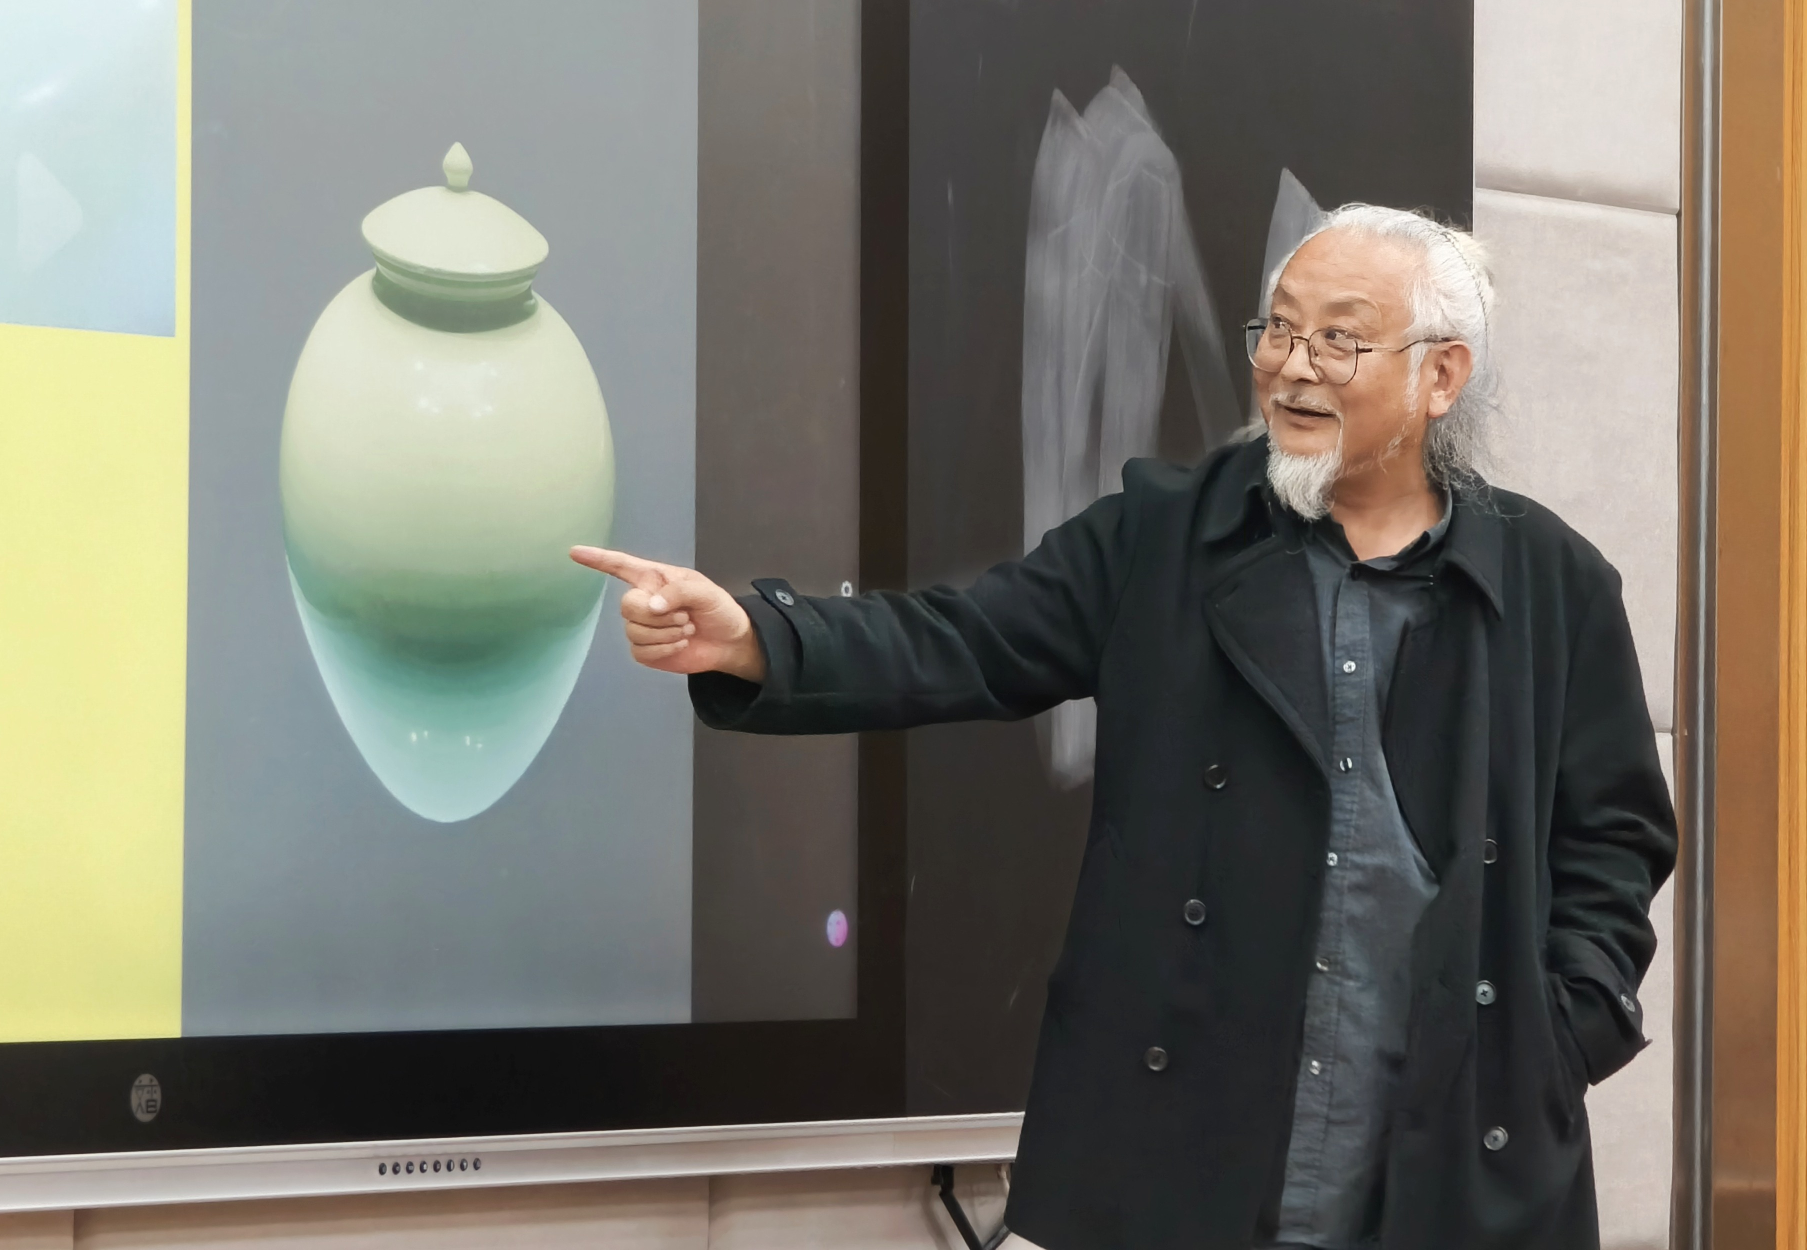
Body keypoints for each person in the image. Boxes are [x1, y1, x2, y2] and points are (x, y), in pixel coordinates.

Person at [573, 204, 1677, 1250]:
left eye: (1339, 341)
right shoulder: (1167, 537)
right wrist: (758, 637)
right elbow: (966, 638)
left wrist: (1558, 1032)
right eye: (1278, 329)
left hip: (1452, 1148)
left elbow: (1614, 836)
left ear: (1440, 375)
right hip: (1188, 1134)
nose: (1292, 367)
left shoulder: (1551, 585)